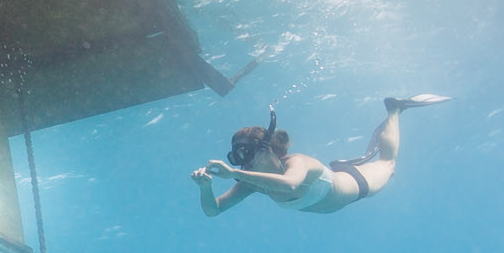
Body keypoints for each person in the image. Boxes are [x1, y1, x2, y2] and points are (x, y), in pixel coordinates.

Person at [192, 95, 449, 216]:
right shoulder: (251, 182)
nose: (243, 163)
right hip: (336, 188)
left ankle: (395, 110)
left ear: (265, 148)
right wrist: (206, 187)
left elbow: (291, 183)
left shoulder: (297, 162)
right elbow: (213, 210)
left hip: (356, 184)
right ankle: (347, 160)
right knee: (382, 164)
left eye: (245, 154)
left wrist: (233, 172)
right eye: (237, 157)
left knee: (387, 163)